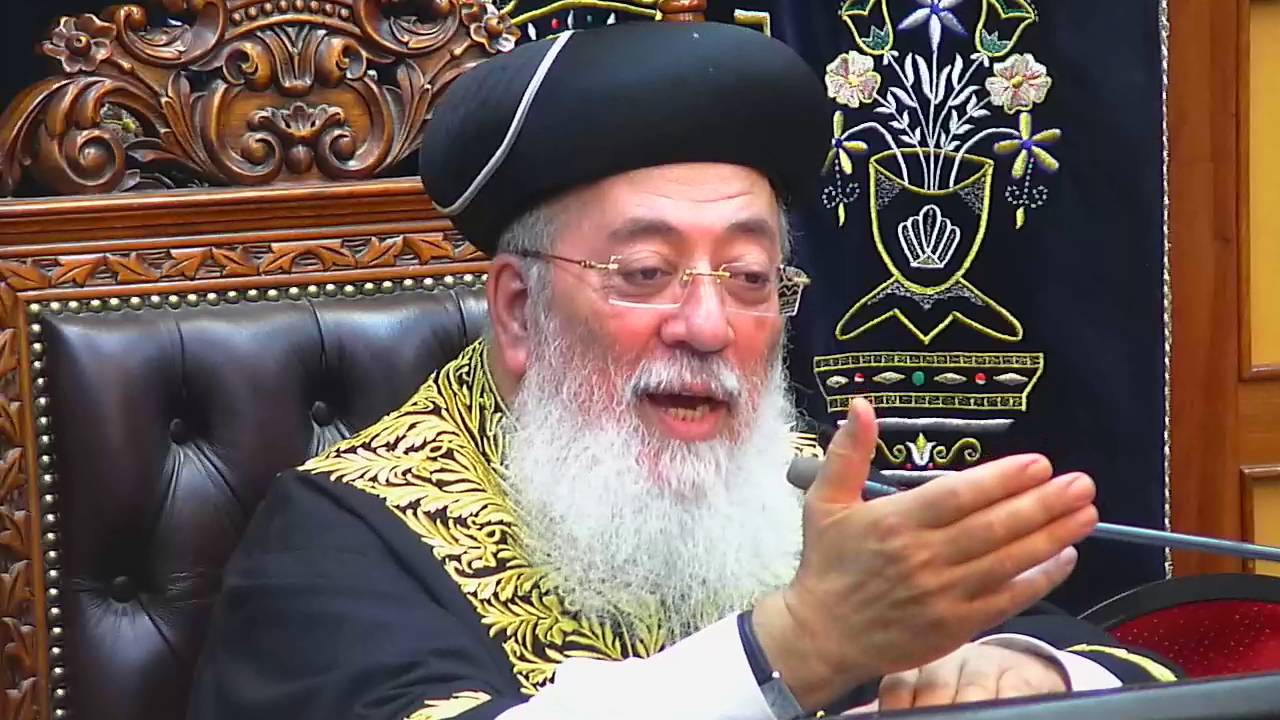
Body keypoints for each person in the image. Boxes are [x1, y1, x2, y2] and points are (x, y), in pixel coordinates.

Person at [187, 20, 1177, 720]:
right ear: (519, 309)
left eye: (749, 277)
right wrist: (801, 642)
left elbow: (1108, 663)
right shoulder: (340, 539)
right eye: (644, 273)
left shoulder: (804, 489)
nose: (707, 326)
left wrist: (1024, 673)